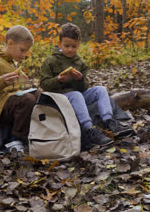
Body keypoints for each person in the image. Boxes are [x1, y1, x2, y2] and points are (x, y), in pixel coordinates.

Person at [40, 22, 135, 150]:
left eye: (73, 46)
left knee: (100, 90)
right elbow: (44, 84)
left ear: (78, 44)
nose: (70, 49)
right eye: (66, 46)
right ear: (59, 44)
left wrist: (80, 79)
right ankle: (89, 129)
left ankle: (109, 122)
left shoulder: (80, 63)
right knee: (76, 94)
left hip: (77, 97)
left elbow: (84, 88)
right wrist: (59, 80)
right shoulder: (50, 61)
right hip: (59, 98)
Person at [0, 25, 40, 154]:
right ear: (10, 43)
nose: (24, 55)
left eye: (25, 51)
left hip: (9, 102)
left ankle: (38, 134)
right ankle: (15, 140)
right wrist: (2, 81)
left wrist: (25, 84)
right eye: (22, 50)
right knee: (27, 100)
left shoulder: (10, 62)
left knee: (38, 94)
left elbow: (13, 89)